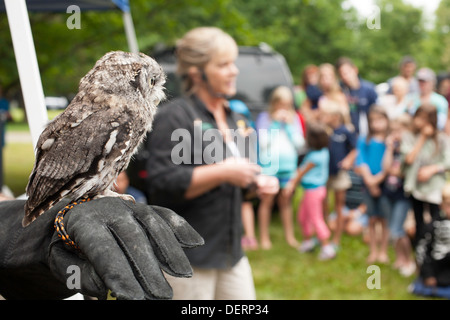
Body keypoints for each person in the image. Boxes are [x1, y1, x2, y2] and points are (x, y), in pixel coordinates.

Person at [144, 27, 279, 300]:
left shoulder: (233, 117)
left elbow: (239, 184)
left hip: (232, 253)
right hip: (189, 258)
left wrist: (256, 184)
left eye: (234, 63)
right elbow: (161, 185)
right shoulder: (174, 117)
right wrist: (224, 171)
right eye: (223, 64)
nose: (234, 71)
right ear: (197, 72)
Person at [256, 86, 305, 249]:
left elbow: (300, 145)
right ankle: (264, 238)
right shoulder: (265, 118)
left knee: (286, 201)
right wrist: (275, 123)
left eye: (288, 105)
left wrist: (290, 126)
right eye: (281, 105)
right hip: (269, 166)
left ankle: (290, 237)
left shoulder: (295, 118)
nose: (284, 109)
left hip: (288, 165)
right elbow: (263, 143)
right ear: (274, 103)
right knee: (267, 201)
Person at [284, 122, 335, 260]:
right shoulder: (323, 151)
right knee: (303, 216)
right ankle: (308, 242)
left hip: (314, 191)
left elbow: (301, 172)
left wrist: (291, 185)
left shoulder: (314, 157)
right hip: (314, 191)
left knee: (316, 219)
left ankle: (327, 247)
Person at [400, 104, 450, 247]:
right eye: (418, 117)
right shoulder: (409, 136)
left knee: (435, 220)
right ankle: (419, 253)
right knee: (418, 220)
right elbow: (409, 159)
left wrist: (432, 169)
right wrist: (422, 137)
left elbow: (448, 161)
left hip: (435, 188)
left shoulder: (441, 139)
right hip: (415, 187)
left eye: (424, 118)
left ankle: (434, 251)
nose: (419, 122)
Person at [354, 106, 390, 264]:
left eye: (380, 119)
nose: (376, 124)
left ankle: (384, 251)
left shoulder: (389, 141)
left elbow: (389, 165)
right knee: (372, 218)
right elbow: (361, 161)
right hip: (368, 185)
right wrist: (370, 181)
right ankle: (373, 251)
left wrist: (378, 180)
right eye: (373, 120)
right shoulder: (364, 139)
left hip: (386, 185)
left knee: (384, 219)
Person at [382, 114, 416, 276]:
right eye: (393, 130)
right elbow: (386, 167)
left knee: (397, 229)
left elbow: (401, 171)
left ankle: (409, 261)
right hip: (390, 193)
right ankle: (400, 258)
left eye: (399, 130)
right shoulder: (392, 148)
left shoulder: (409, 149)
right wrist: (389, 148)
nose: (395, 134)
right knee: (392, 227)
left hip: (403, 195)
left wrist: (394, 170)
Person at [321, 102, 357, 247]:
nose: (323, 117)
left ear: (335, 116)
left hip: (339, 174)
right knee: (323, 203)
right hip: (324, 173)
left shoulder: (345, 131)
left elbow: (355, 149)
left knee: (339, 206)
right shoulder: (325, 131)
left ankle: (336, 239)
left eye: (326, 115)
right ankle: (323, 233)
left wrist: (348, 160)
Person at [413, 183, 450, 293]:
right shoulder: (432, 226)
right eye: (449, 205)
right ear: (441, 205)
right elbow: (422, 251)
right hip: (438, 266)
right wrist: (427, 274)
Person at [336, 57, 378, 136]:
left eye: (346, 72)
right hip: (348, 132)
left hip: (367, 132)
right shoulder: (340, 90)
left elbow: (376, 112)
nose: (345, 77)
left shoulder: (369, 89)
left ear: (355, 70)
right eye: (341, 74)